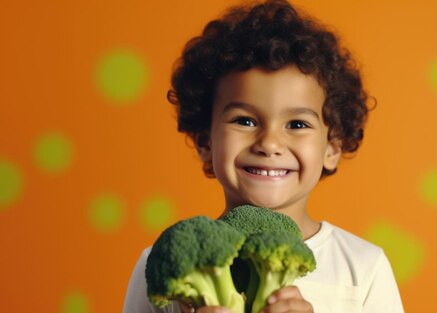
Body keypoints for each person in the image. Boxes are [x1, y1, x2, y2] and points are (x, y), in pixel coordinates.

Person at [123, 0, 404, 312]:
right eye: (244, 121)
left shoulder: (363, 268)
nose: (269, 143)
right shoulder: (163, 266)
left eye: (297, 124)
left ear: (332, 148)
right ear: (205, 141)